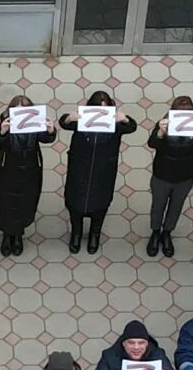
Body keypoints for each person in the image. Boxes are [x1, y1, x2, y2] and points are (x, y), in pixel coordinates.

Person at [56, 90, 137, 253]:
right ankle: (76, 234)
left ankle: (95, 234)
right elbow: (64, 123)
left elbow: (131, 127)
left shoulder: (116, 124)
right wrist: (69, 118)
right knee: (74, 204)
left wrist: (125, 119)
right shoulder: (81, 121)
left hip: (104, 172)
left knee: (100, 206)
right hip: (80, 170)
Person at [142, 95, 193, 257]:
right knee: (158, 206)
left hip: (185, 176)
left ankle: (167, 232)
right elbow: (152, 144)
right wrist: (160, 133)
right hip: (162, 174)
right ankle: (155, 232)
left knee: (176, 206)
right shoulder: (164, 123)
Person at [0, 95, 55, 257]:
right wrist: (3, 131)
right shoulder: (7, 123)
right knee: (6, 203)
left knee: (25, 203)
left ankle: (18, 235)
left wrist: (51, 130)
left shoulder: (36, 123)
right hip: (8, 171)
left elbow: (46, 138)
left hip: (30, 172)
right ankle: (7, 234)